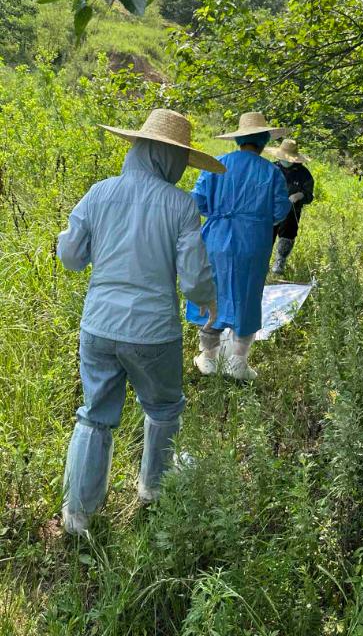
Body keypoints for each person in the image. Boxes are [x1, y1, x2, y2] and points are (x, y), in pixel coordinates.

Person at [57, 109, 224, 536]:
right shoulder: (181, 205)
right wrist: (209, 301)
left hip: (98, 326)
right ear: (168, 158)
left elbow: (71, 258)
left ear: (137, 148)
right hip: (154, 333)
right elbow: (193, 280)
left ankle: (78, 515)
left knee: (94, 415)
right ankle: (153, 488)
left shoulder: (99, 193)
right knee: (164, 408)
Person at [186, 112, 291, 381]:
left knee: (213, 293)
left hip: (216, 238)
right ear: (263, 138)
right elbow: (280, 210)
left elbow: (198, 202)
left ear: (239, 139)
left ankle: (208, 358)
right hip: (253, 240)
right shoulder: (272, 172)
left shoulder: (216, 165)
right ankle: (237, 362)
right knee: (247, 295)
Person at [267, 139, 314, 274]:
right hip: (270, 208)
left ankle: (280, 261)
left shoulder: (304, 174)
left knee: (288, 234)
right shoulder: (271, 169)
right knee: (267, 235)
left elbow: (309, 195)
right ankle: (262, 261)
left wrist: (300, 195)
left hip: (291, 210)